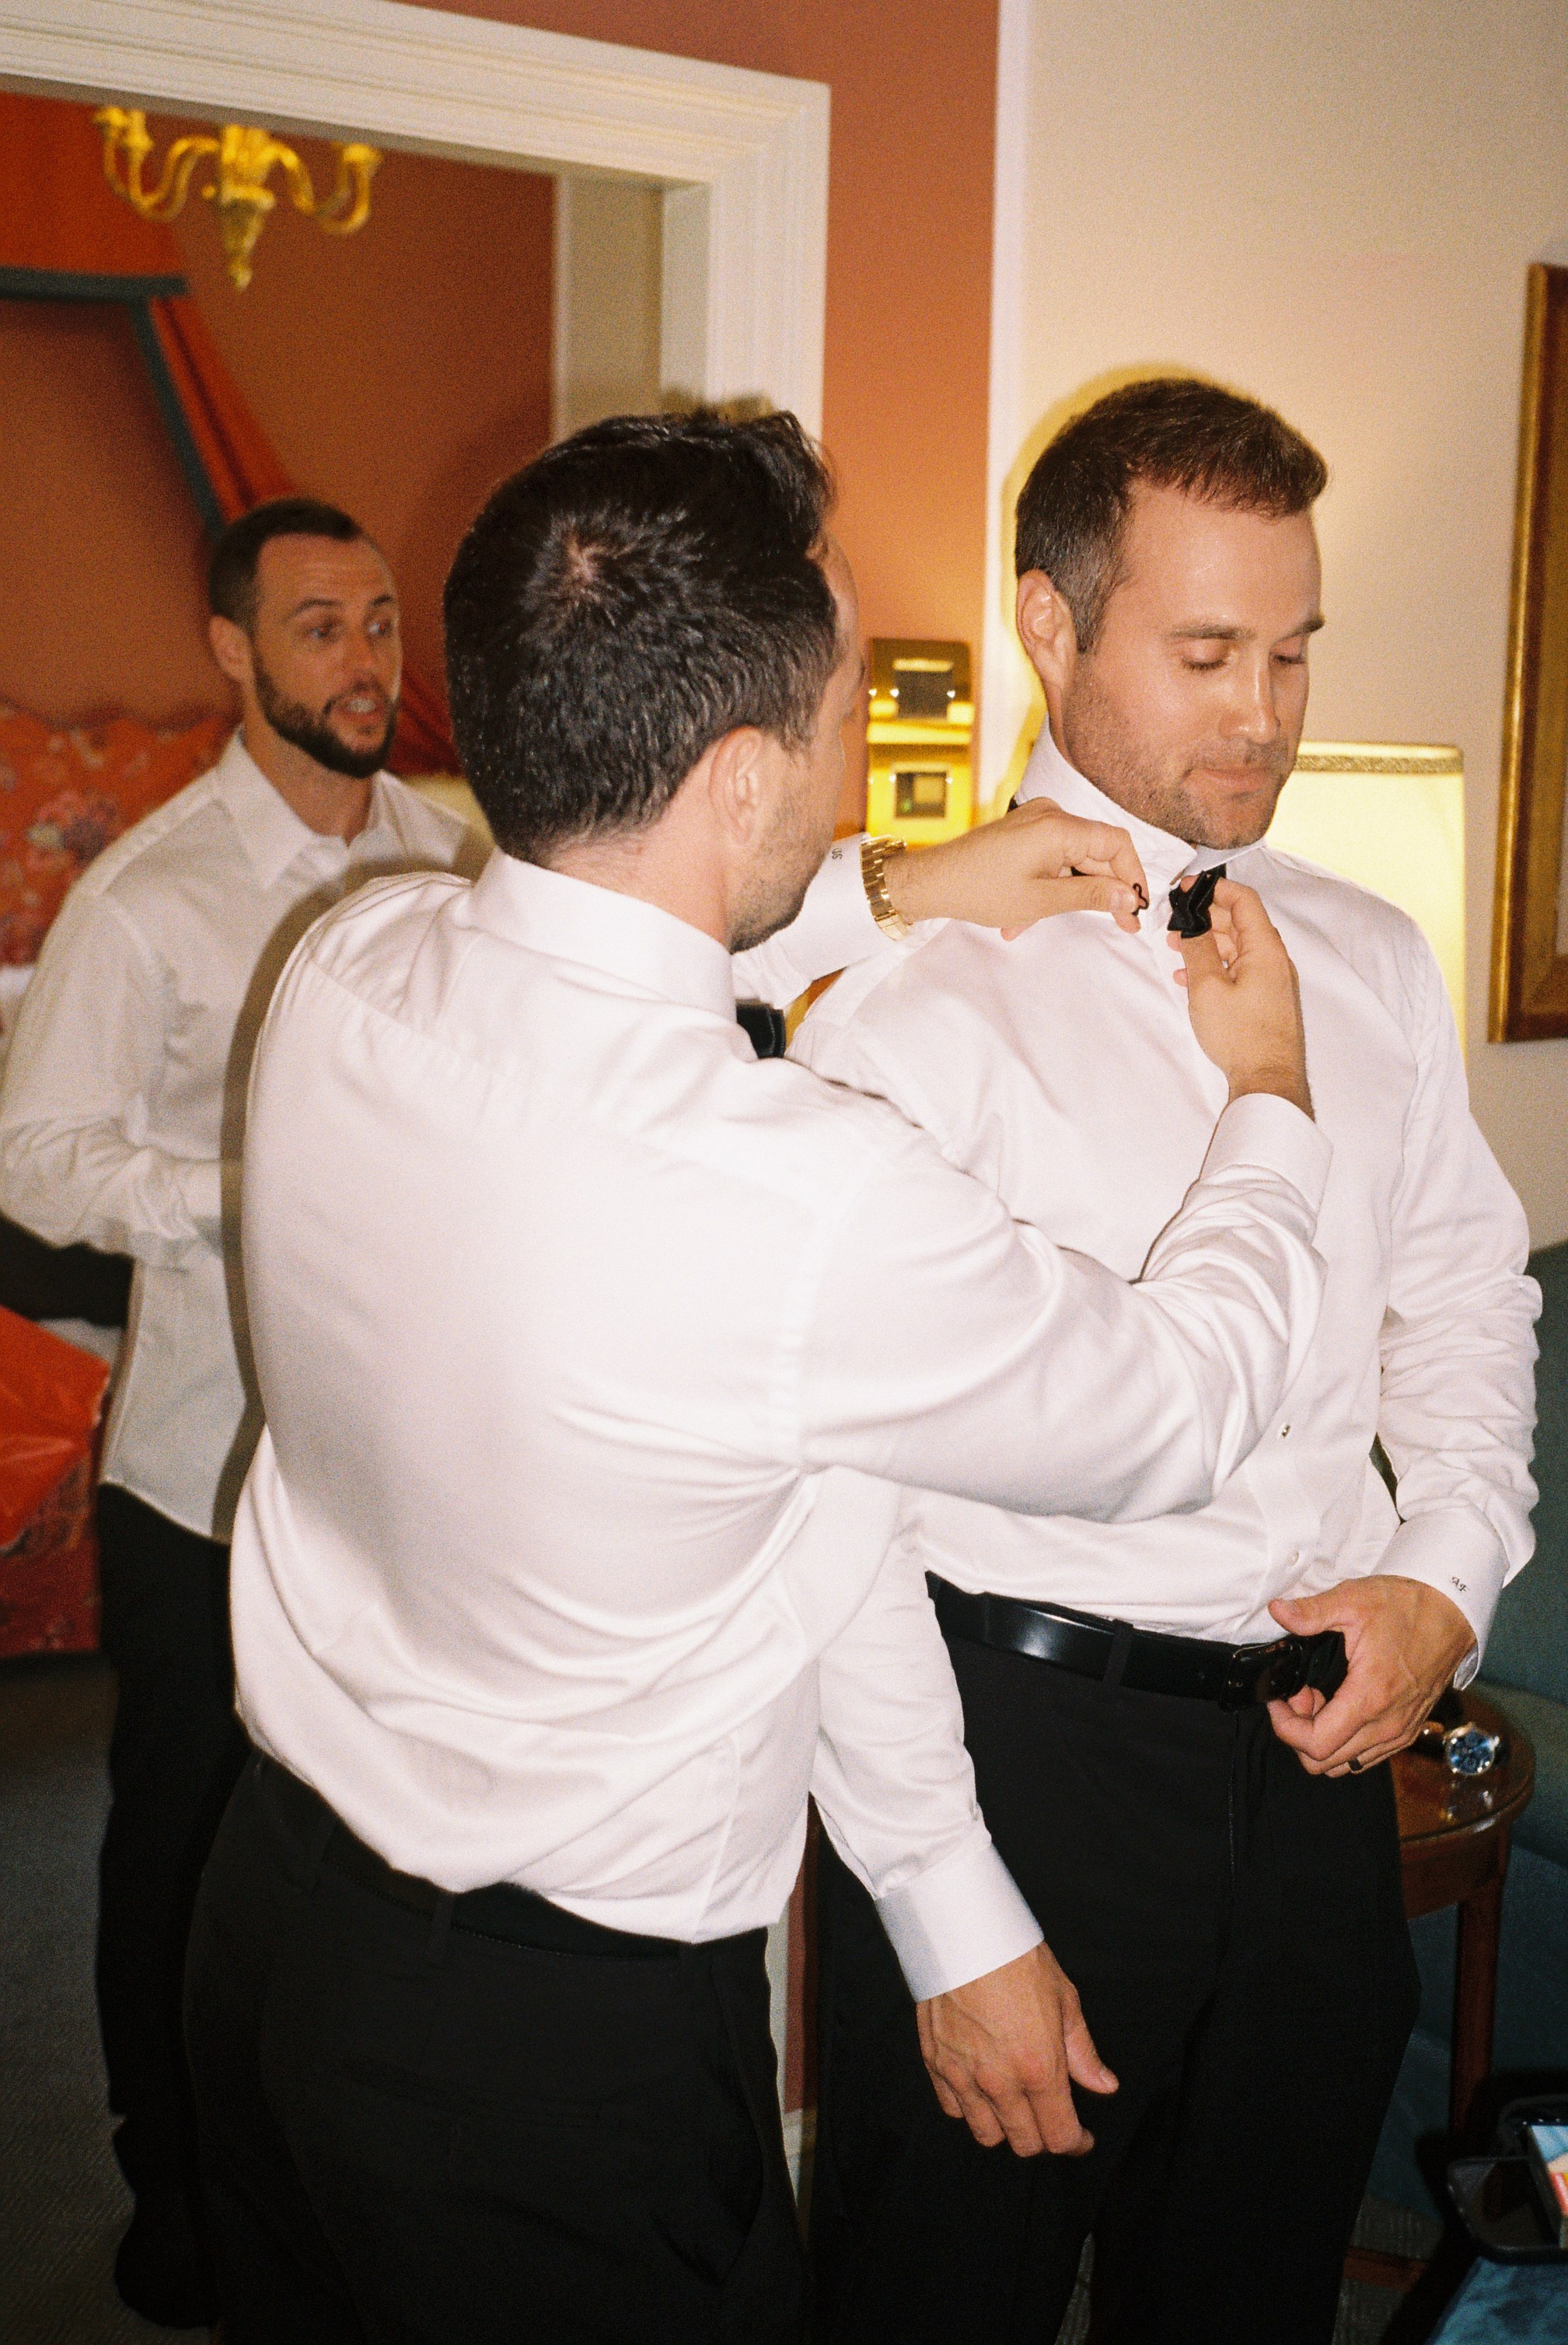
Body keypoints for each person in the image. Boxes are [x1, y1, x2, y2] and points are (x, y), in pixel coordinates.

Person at [183, 407, 1332, 2345]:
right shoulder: (795, 1203)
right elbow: (1178, 1403)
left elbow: (613, 945)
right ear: (739, 772)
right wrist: (1272, 1102)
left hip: (272, 1928)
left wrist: (902, 884)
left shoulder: (350, 962)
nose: (852, 741)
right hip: (549, 2064)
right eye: (839, 703)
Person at [0, 489, 1056, 2326]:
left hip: (458, 1684)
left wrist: (901, 890)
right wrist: (262, 1183)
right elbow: (35, 1165)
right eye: (315, 626)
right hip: (221, 1464)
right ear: (233, 653)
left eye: (382, 619)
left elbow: (626, 983)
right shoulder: (162, 896)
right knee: (167, 1838)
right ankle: (164, 2184)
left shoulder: (421, 882)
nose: (359, 659)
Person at [792, 378, 1542, 2345]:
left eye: (1293, 650)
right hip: (1014, 1754)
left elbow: (1465, 1294)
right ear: (1050, 627)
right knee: (935, 2301)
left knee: (1249, 2298)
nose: (1267, 713)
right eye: (1207, 652)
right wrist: (950, 1914)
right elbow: (832, 1500)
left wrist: (1441, 1579)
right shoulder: (905, 1002)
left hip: (1314, 1765)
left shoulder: (1370, 955)